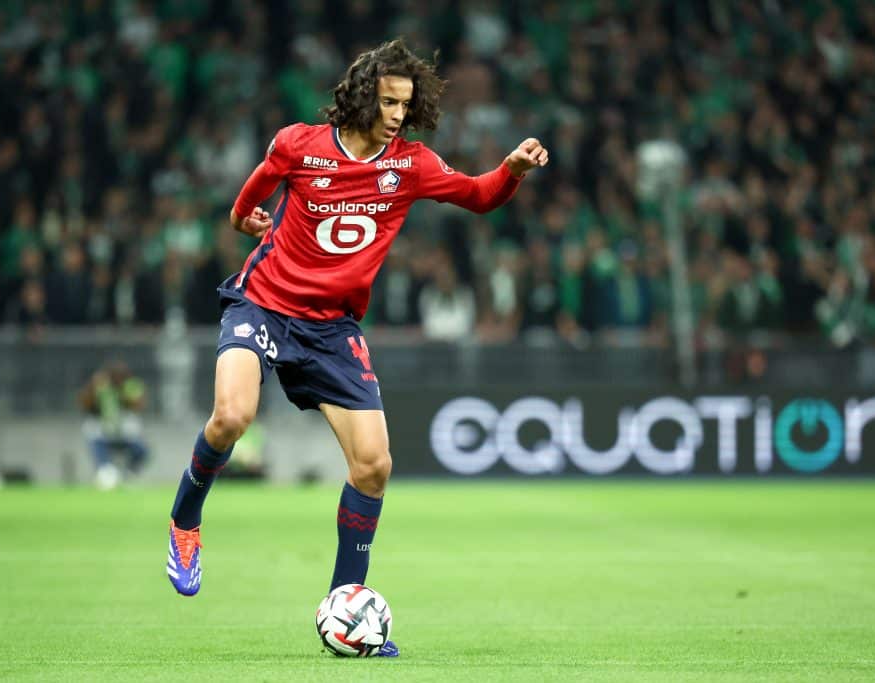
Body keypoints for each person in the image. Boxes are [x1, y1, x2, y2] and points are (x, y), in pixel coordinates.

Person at [164, 38, 548, 657]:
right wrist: (244, 221)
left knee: (374, 466)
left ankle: (346, 606)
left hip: (332, 328)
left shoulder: (412, 165)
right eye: (390, 101)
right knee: (232, 416)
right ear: (364, 95)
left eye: (406, 103)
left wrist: (512, 172)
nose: (398, 113)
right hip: (263, 302)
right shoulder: (298, 145)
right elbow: (250, 196)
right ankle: (185, 519)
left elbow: (479, 196)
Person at [79, 360, 149, 490]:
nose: (119, 379)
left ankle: (129, 474)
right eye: (116, 376)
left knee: (142, 450)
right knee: (95, 440)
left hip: (125, 433)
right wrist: (94, 387)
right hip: (104, 431)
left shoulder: (131, 386)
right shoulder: (101, 386)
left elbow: (138, 405)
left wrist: (124, 395)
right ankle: (105, 471)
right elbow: (85, 403)